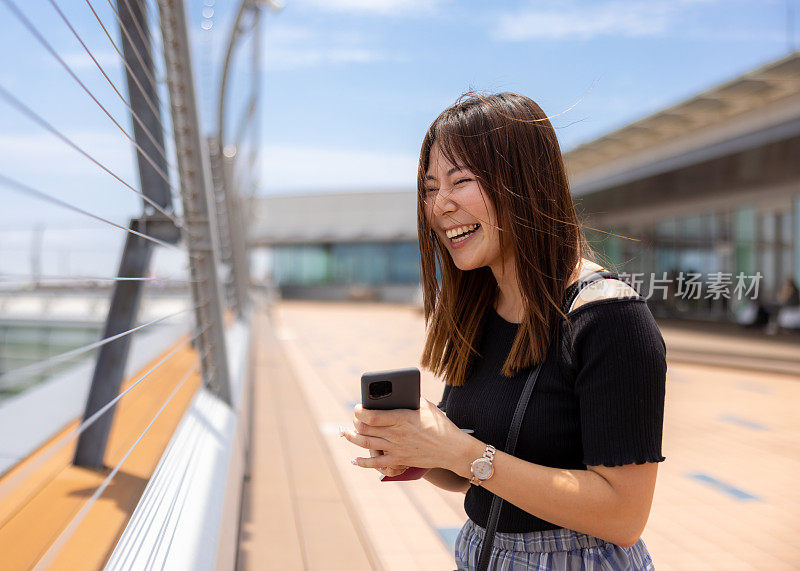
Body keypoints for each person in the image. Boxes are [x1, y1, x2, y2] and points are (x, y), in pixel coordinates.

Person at [341, 92, 666, 570]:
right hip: (482, 553)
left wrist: (461, 449)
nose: (439, 205)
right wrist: (420, 448)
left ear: (524, 184)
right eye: (430, 187)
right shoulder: (481, 306)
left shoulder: (609, 317)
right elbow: (469, 472)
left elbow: (623, 516)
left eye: (460, 181)